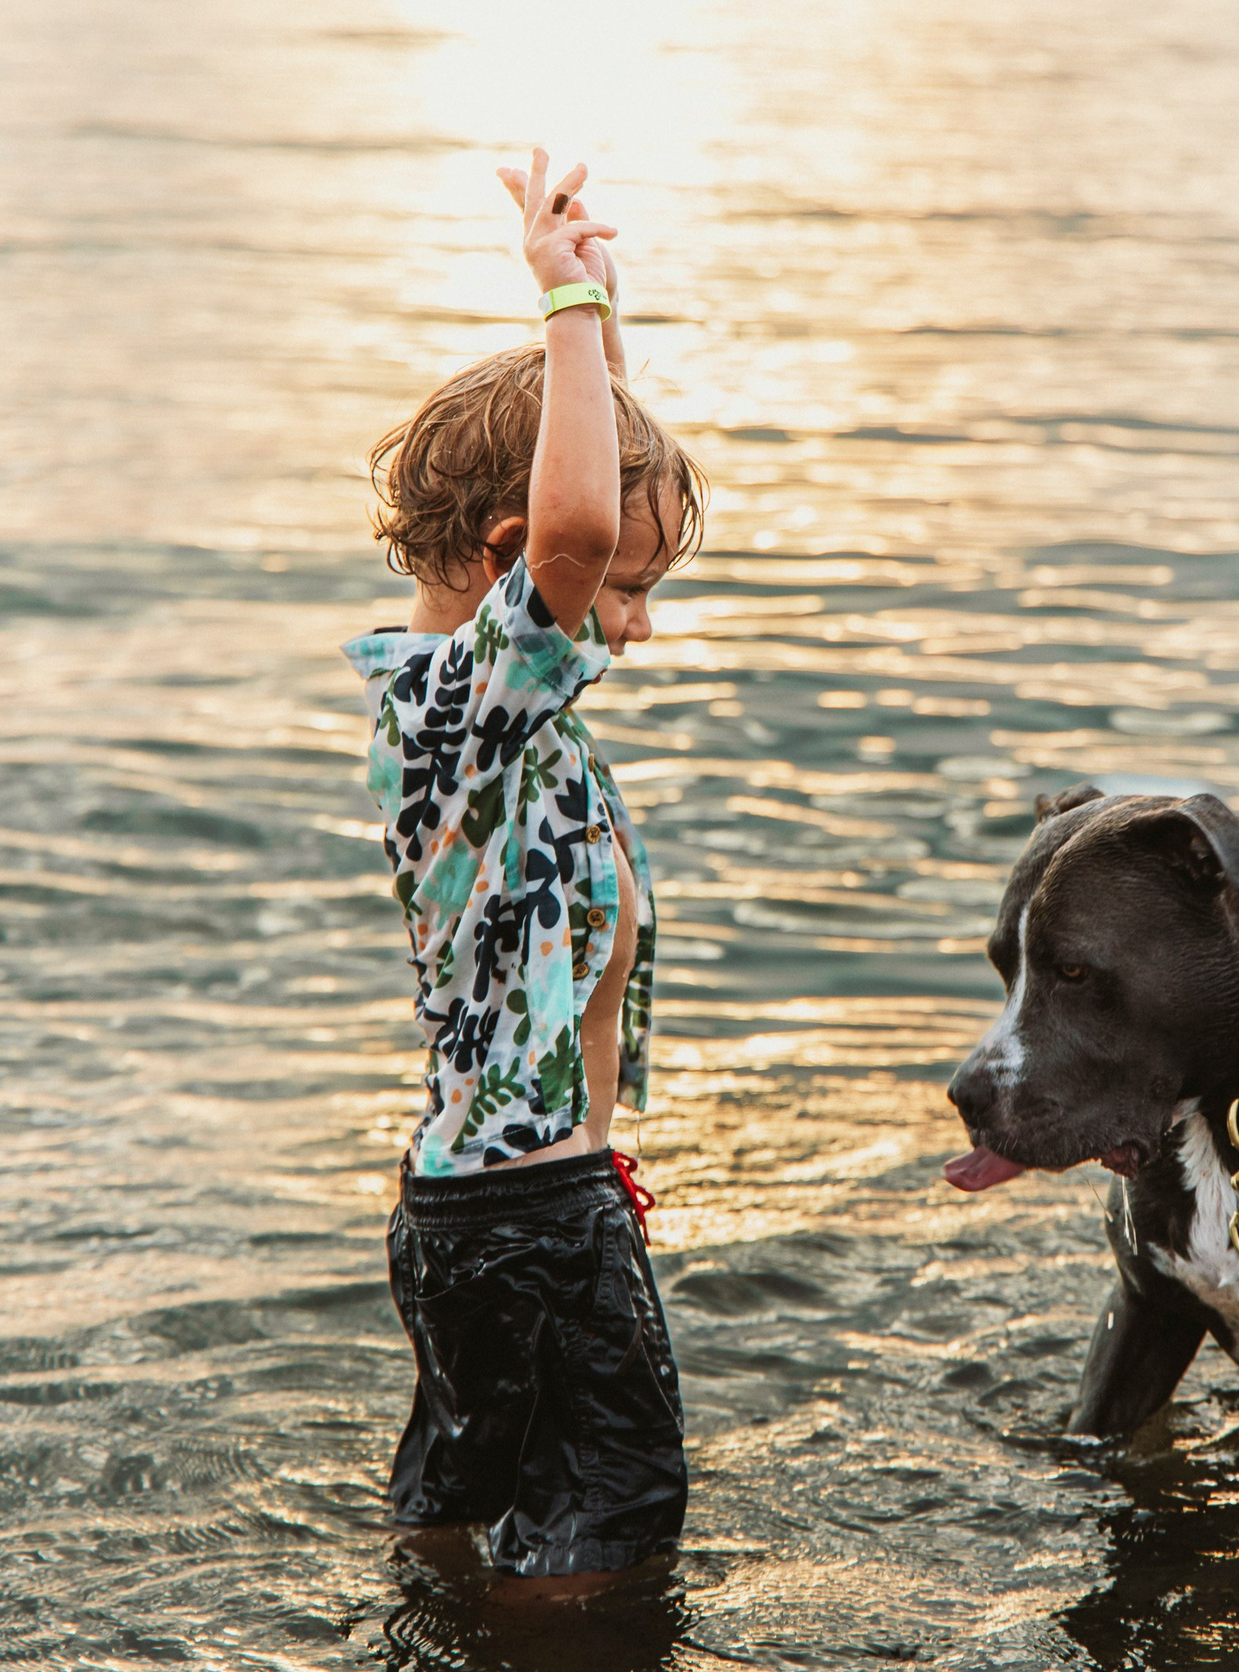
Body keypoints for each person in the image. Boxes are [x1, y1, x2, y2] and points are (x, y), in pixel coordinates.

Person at [343, 149, 707, 1582]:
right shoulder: (467, 703)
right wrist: (556, 299)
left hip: (481, 1207)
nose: (637, 626)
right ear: (515, 560)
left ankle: (431, 1662)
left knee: (466, 1499)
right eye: (629, 586)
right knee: (611, 1535)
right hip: (536, 1222)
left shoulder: (471, 711)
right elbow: (571, 524)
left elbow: (579, 503)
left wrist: (601, 326)